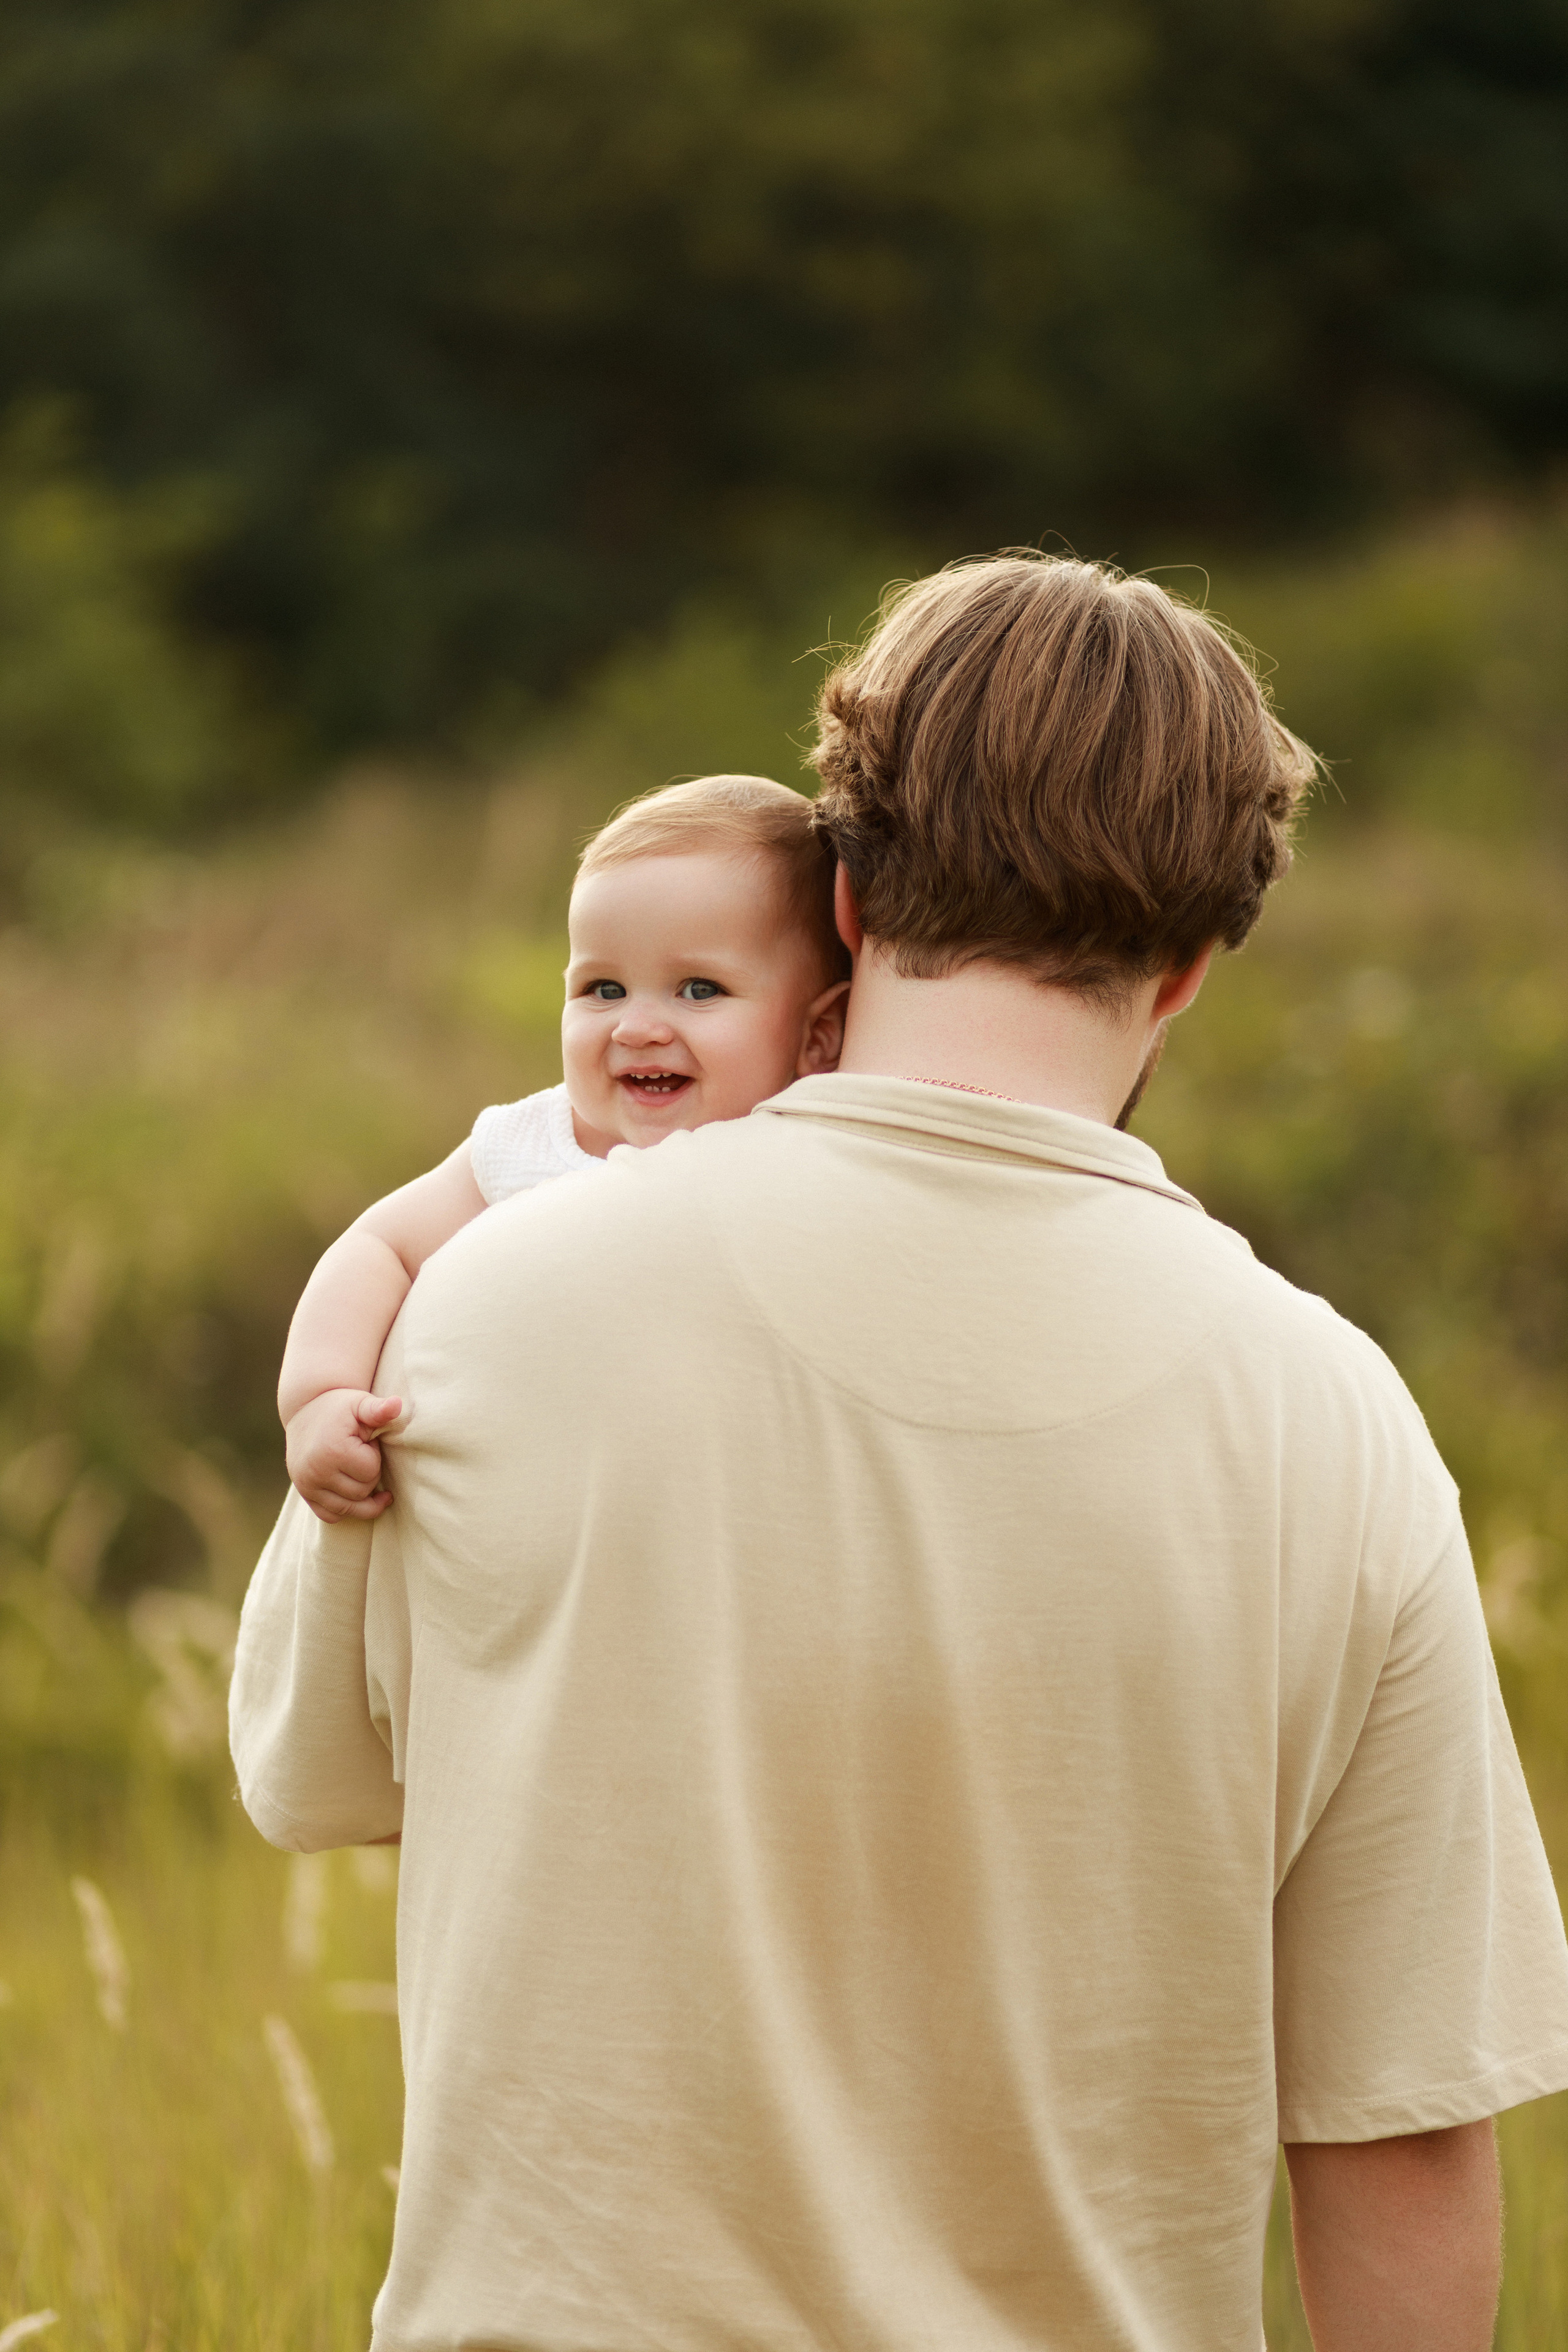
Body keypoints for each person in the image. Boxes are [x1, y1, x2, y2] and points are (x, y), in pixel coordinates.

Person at [231, 553, 1568, 2352]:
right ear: (1187, 963)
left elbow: (307, 1774)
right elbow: (1398, 2136)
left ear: (845, 894)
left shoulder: (486, 1302)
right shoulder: (1335, 1418)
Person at [277, 774, 850, 1523]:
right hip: (541, 1504)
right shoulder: (538, 1143)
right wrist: (319, 1399)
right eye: (603, 989)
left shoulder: (815, 1153)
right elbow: (379, 1246)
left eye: (699, 990)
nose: (636, 1027)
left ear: (818, 1035)